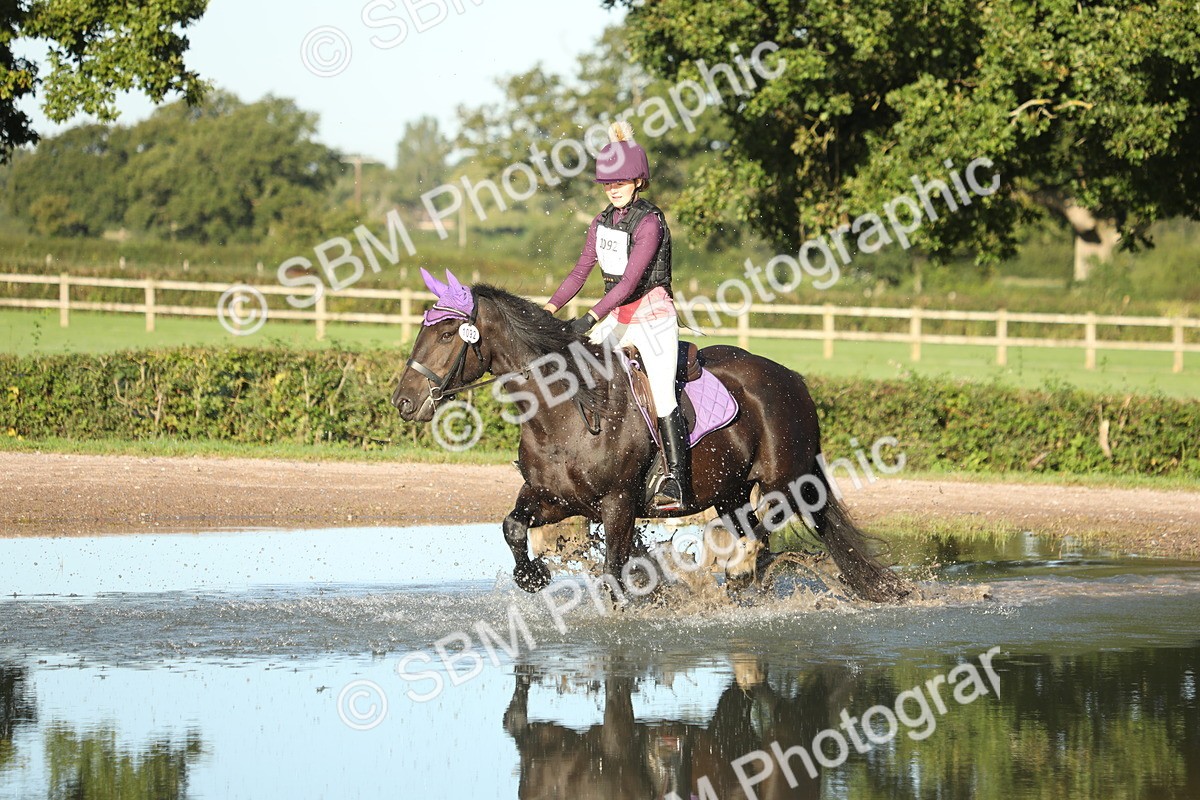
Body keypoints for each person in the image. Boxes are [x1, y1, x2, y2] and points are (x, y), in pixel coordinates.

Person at [543, 121, 688, 511]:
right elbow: (579, 273)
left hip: (653, 319)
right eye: (609, 183)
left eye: (621, 181)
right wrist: (549, 308)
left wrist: (589, 319)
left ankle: (675, 479)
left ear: (638, 180)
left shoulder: (650, 222)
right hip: (617, 318)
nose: (614, 188)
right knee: (578, 374)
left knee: (660, 393)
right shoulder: (600, 222)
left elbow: (627, 283)